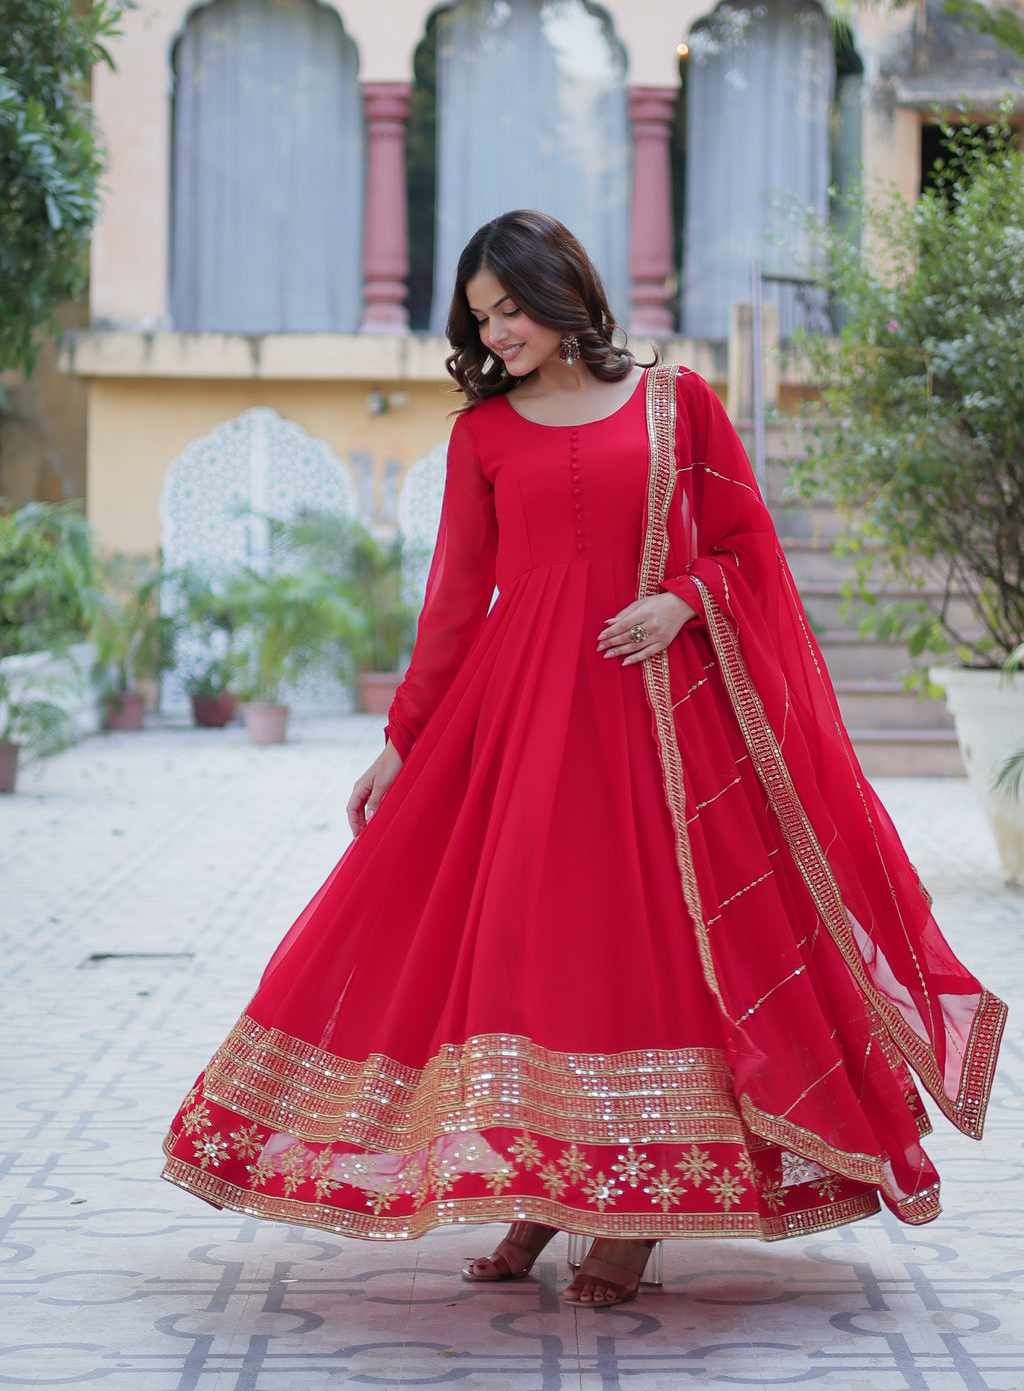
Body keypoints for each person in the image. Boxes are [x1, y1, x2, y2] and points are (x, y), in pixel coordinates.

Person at [163, 209, 1006, 1311]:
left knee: (642, 949)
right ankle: (538, 1190)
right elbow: (457, 604)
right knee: (525, 940)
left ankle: (627, 1224)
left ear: (563, 292)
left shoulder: (676, 401)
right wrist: (401, 743)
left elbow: (748, 549)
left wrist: (679, 598)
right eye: (480, 318)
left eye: (511, 308)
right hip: (520, 723)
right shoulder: (484, 435)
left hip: (662, 729)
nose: (499, 333)